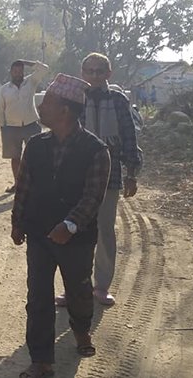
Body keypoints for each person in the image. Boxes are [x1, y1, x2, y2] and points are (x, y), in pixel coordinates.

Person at [11, 73, 111, 378]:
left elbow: (93, 197)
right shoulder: (36, 145)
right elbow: (24, 186)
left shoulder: (96, 150)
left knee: (79, 290)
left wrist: (69, 225)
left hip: (77, 239)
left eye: (47, 102)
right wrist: (17, 221)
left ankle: (81, 329)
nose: (41, 107)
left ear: (65, 110)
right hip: (39, 234)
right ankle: (41, 361)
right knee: (37, 298)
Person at [56, 53, 141, 307]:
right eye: (90, 71)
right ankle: (72, 286)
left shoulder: (118, 100)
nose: (94, 76)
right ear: (82, 73)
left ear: (108, 73)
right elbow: (61, 132)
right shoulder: (74, 98)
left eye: (99, 71)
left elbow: (128, 137)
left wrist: (132, 173)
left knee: (104, 231)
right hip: (75, 174)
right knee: (73, 228)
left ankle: (101, 286)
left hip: (109, 174)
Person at [0, 60, 51, 193]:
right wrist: (2, 127)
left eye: (20, 71)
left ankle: (36, 184)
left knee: (36, 155)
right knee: (15, 157)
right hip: (11, 127)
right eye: (15, 71)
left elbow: (44, 69)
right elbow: (1, 109)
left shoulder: (31, 82)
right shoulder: (4, 89)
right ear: (11, 72)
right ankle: (18, 184)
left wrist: (26, 62)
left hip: (30, 124)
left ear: (23, 71)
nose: (18, 74)